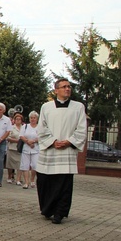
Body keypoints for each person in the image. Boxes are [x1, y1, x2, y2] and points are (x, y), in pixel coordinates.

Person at [36, 79, 87, 224]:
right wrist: (52, 141)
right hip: (50, 151)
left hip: (67, 151)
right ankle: (47, 209)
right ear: (56, 90)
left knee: (63, 184)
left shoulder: (78, 107)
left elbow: (82, 128)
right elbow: (42, 127)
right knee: (45, 181)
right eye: (64, 87)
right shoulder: (46, 107)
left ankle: (60, 213)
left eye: (69, 87)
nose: (68, 89)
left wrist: (69, 141)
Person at [19, 111, 40, 189]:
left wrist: (34, 141)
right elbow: (21, 135)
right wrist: (28, 142)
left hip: (36, 148)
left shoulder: (40, 127)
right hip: (26, 148)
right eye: (31, 118)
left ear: (37, 119)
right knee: (25, 165)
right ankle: (26, 182)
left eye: (34, 118)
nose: (33, 119)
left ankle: (32, 180)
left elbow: (41, 137)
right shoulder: (25, 126)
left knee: (35, 165)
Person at [6, 113, 24, 184]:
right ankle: (10, 176)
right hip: (12, 147)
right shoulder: (11, 127)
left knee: (20, 164)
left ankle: (18, 179)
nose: (18, 121)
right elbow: (8, 137)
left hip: (20, 149)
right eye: (16, 119)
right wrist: (17, 140)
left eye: (19, 119)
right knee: (10, 164)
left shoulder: (24, 128)